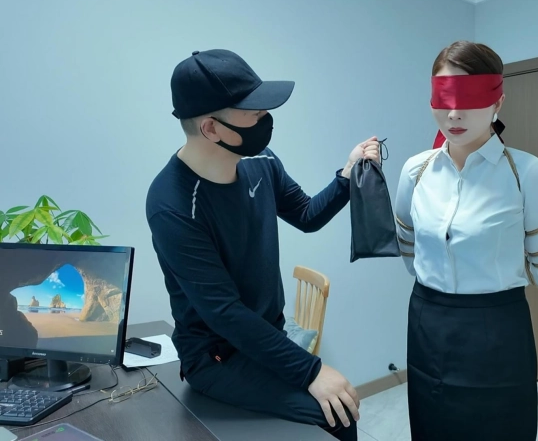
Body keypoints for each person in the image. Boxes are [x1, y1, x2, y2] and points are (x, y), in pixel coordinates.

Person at [145, 49, 380, 441]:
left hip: (267, 335)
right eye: (253, 112)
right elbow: (224, 313)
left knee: (337, 409)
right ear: (211, 128)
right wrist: (312, 370)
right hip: (215, 357)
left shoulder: (261, 161)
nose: (266, 118)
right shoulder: (173, 204)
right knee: (336, 415)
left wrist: (347, 174)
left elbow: (306, 214)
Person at [394, 40, 538, 440]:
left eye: (469, 96)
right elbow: (410, 254)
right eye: (444, 97)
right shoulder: (415, 171)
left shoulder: (526, 173)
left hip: (498, 332)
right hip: (428, 327)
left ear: (498, 101)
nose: (454, 113)